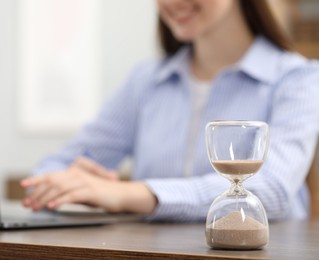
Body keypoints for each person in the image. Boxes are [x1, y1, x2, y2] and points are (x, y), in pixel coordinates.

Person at [21, 0, 319, 222]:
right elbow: (53, 166)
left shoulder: (297, 79)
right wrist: (72, 183)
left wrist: (132, 194)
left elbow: (274, 189)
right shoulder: (145, 82)